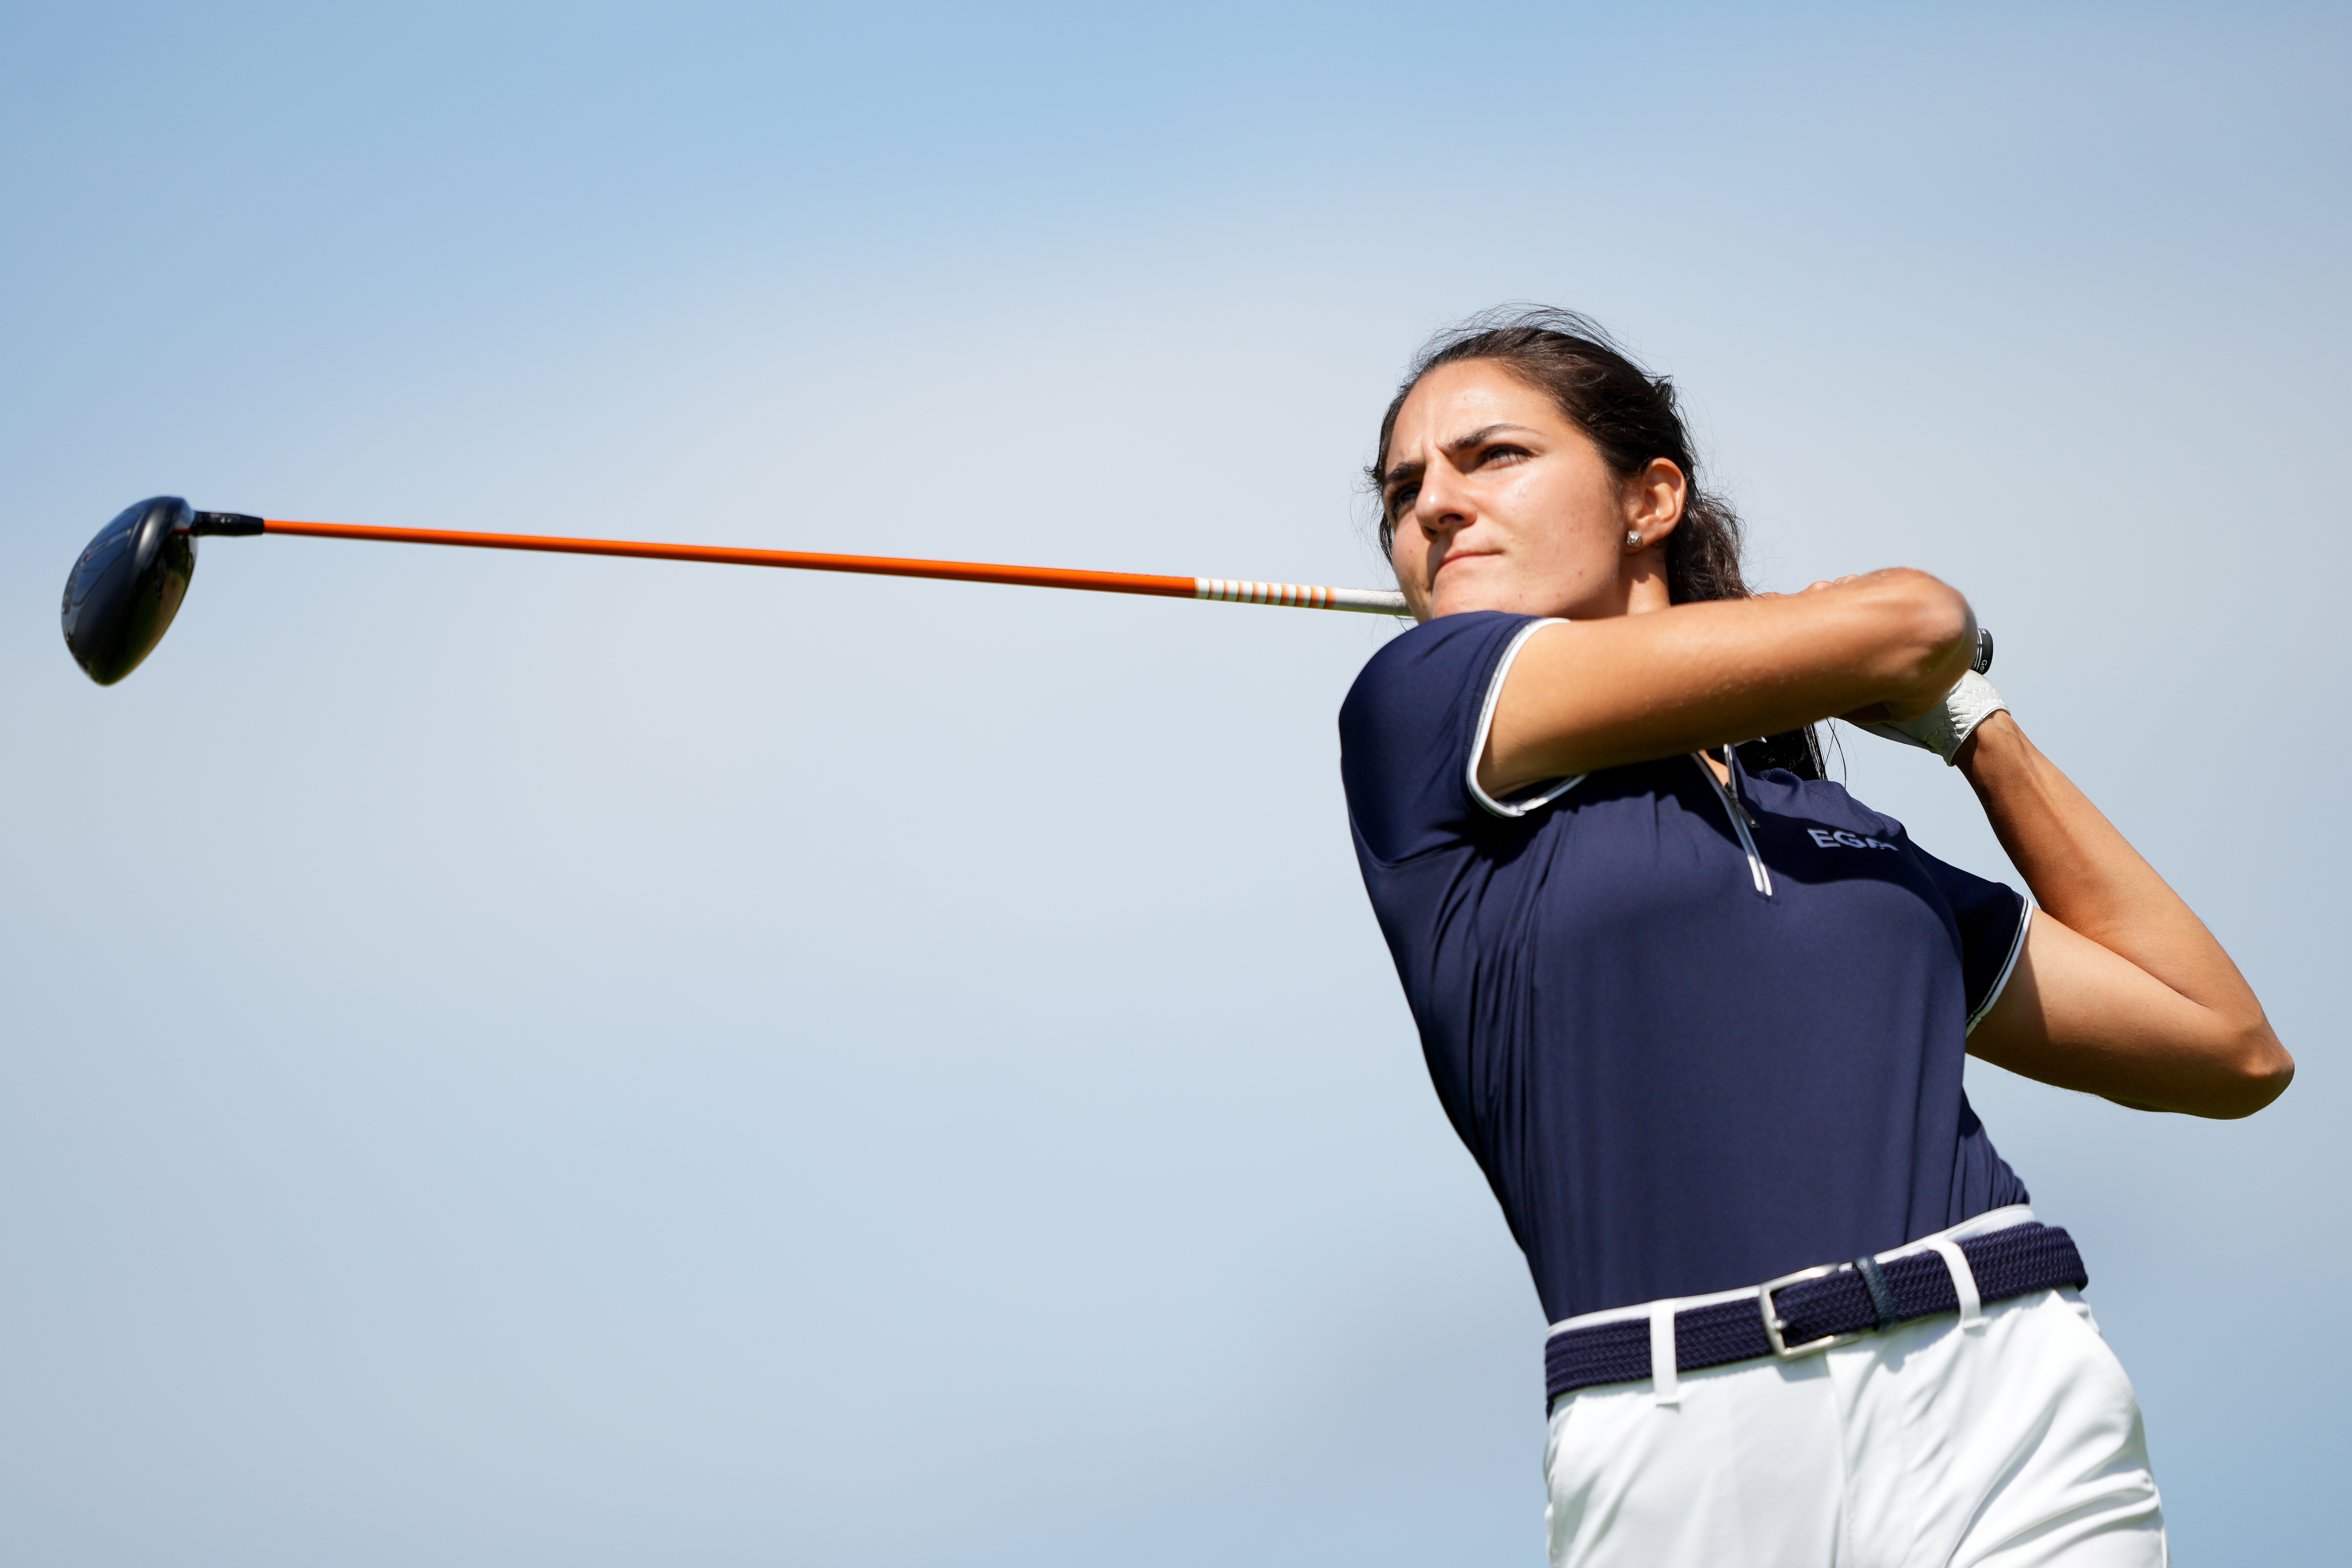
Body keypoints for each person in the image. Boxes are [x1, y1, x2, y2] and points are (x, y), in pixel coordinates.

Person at [1336, 308, 2292, 1568]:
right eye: (1405, 490)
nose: (1435, 507)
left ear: (1650, 498)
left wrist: (1972, 728)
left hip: (1998, 1379)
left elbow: (2223, 1046)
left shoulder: (1834, 836)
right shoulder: (1423, 710)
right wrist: (1886, 652)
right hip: (1679, 1433)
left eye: (1491, 456)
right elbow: (1909, 617)